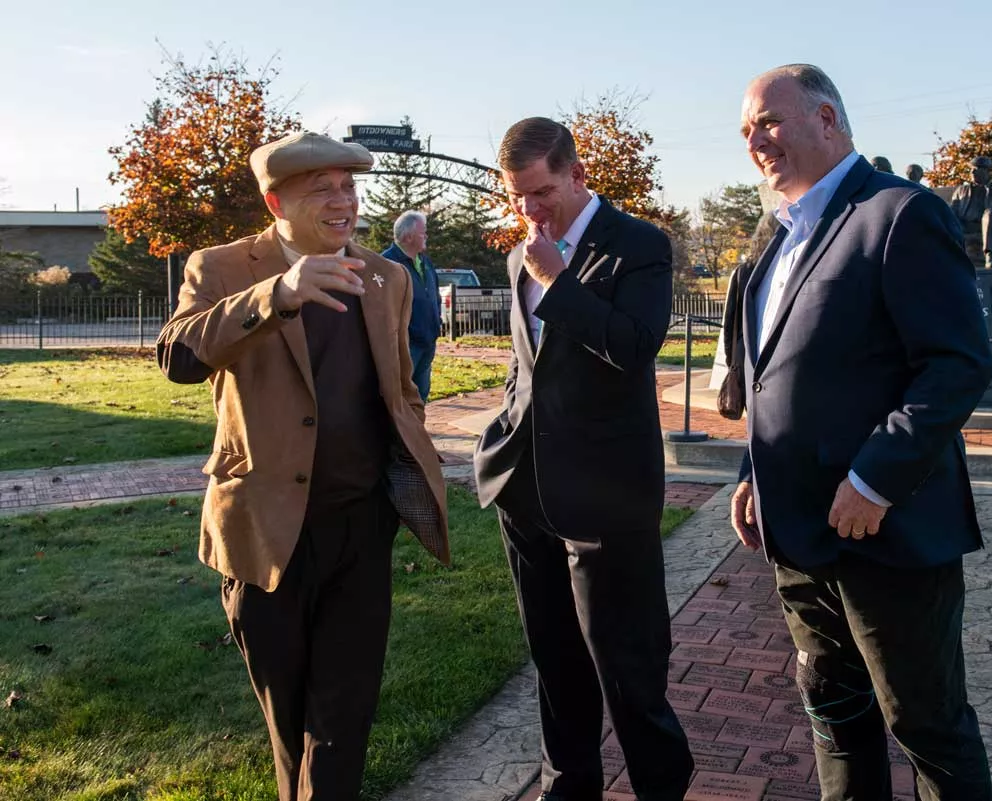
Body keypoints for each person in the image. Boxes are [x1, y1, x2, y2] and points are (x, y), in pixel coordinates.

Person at [156, 131, 449, 801]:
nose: (343, 202)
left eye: (349, 187)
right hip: (265, 532)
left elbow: (401, 387)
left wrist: (410, 450)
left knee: (342, 723)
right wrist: (277, 293)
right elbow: (176, 356)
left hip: (359, 530)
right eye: (324, 189)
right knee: (289, 722)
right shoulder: (224, 266)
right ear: (275, 201)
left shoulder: (387, 276)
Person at [732, 64, 992, 800]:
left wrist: (875, 476)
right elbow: (772, 376)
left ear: (826, 118)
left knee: (927, 727)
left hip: (888, 534)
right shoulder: (774, 238)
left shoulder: (899, 213)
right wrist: (751, 473)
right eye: (747, 130)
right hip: (796, 534)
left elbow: (956, 364)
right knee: (835, 717)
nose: (756, 141)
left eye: (770, 121)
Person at [473, 117, 693, 801]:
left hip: (606, 496)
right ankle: (567, 786)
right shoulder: (519, 258)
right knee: (555, 661)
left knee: (626, 666)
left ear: (578, 174)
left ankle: (661, 782)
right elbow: (527, 368)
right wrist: (501, 436)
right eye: (517, 197)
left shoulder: (639, 245)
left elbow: (633, 347)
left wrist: (561, 283)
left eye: (540, 192)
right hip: (527, 491)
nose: (529, 211)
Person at [382, 210, 440, 402]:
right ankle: (398, 433)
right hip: (405, 344)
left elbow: (434, 296)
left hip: (427, 340)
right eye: (423, 232)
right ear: (408, 237)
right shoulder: (387, 264)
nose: (427, 237)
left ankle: (417, 432)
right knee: (399, 396)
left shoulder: (424, 262)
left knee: (420, 395)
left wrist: (436, 323)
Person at [950, 155, 992, 268]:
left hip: (991, 228)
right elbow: (952, 213)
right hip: (965, 227)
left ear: (986, 171)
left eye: (976, 169)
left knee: (990, 213)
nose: (972, 172)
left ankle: (990, 255)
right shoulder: (961, 190)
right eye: (971, 169)